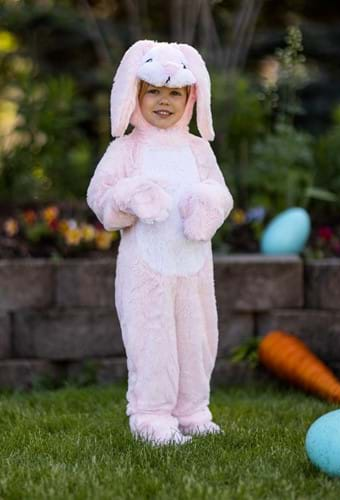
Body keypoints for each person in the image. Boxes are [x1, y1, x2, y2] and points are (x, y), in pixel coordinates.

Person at [87, 40, 234, 446]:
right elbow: (101, 196)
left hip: (192, 268)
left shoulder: (198, 149)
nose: (163, 101)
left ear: (191, 97)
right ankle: (152, 416)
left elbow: (220, 193)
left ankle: (192, 410)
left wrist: (208, 204)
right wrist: (129, 197)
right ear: (135, 93)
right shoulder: (126, 149)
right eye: (153, 90)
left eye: (174, 92)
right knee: (151, 339)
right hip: (145, 271)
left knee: (197, 336)